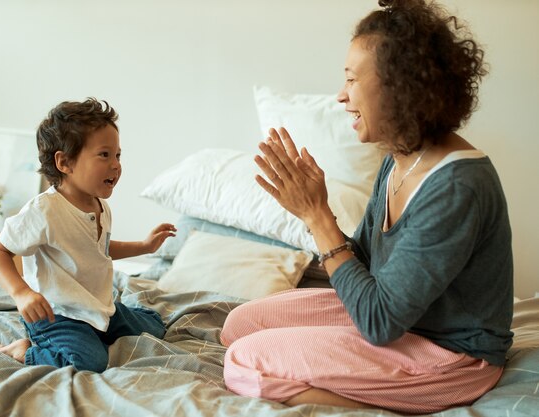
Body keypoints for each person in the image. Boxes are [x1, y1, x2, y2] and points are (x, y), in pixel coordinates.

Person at [220, 0, 513, 413]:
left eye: (352, 79)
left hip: (451, 355)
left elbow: (378, 321)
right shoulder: (400, 158)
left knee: (244, 363)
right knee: (239, 326)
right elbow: (366, 264)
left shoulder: (457, 186)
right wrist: (311, 208)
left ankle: (369, 405)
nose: (341, 96)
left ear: (401, 86)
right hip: (399, 323)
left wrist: (319, 218)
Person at [0, 98, 176, 373]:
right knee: (90, 361)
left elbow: (99, 249)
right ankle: (26, 350)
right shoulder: (44, 211)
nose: (116, 165)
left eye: (118, 155)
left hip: (96, 306)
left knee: (155, 326)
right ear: (65, 162)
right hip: (56, 314)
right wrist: (22, 293)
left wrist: (145, 246)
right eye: (104, 155)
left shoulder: (100, 205)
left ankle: (100, 329)